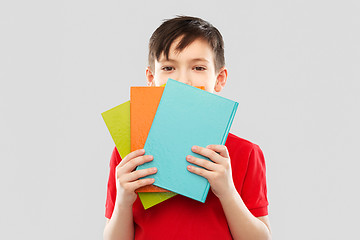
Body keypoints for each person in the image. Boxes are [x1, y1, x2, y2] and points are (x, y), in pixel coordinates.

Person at [103, 16, 271, 240]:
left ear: (219, 79)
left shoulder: (246, 153)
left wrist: (227, 191)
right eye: (169, 67)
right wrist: (123, 200)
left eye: (198, 67)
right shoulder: (129, 152)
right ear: (151, 79)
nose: (183, 80)